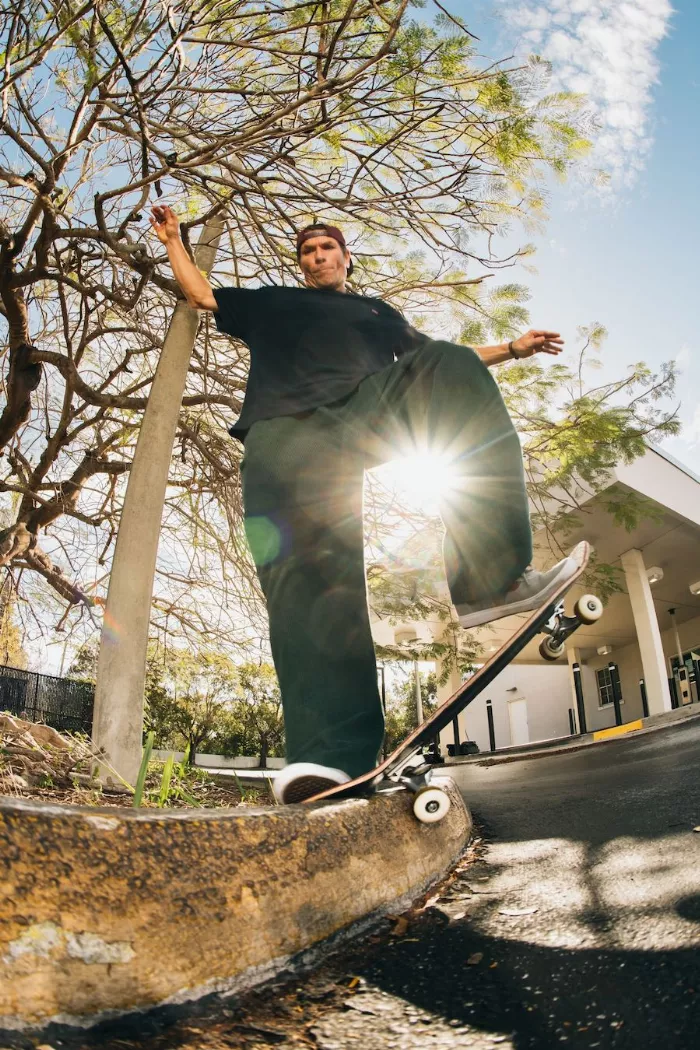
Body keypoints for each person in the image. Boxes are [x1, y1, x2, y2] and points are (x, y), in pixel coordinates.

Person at [150, 206, 584, 803]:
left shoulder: (376, 312)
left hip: (361, 415)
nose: (318, 257)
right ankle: (328, 761)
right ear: (299, 263)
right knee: (310, 590)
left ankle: (491, 578)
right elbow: (200, 294)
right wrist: (174, 242)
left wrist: (512, 347)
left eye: (327, 248)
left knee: (450, 365)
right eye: (308, 251)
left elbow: (443, 361)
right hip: (283, 438)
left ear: (345, 257)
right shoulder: (272, 301)